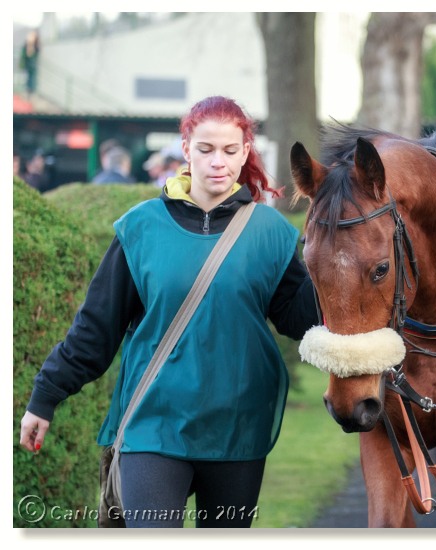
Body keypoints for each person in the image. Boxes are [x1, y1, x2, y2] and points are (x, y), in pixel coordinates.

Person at [19, 95, 317, 528]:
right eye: (206, 149)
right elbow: (96, 329)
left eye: (231, 151)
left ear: (246, 152)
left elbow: (297, 319)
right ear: (186, 149)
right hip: (153, 422)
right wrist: (45, 396)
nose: (219, 162)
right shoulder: (140, 227)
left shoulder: (270, 233)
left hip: (236, 425)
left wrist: (335, 268)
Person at [19, 29, 40, 98]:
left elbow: (35, 53)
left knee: (32, 78)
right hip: (29, 65)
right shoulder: (27, 46)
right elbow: (25, 55)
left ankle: (30, 91)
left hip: (32, 65)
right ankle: (28, 91)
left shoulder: (35, 46)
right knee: (28, 78)